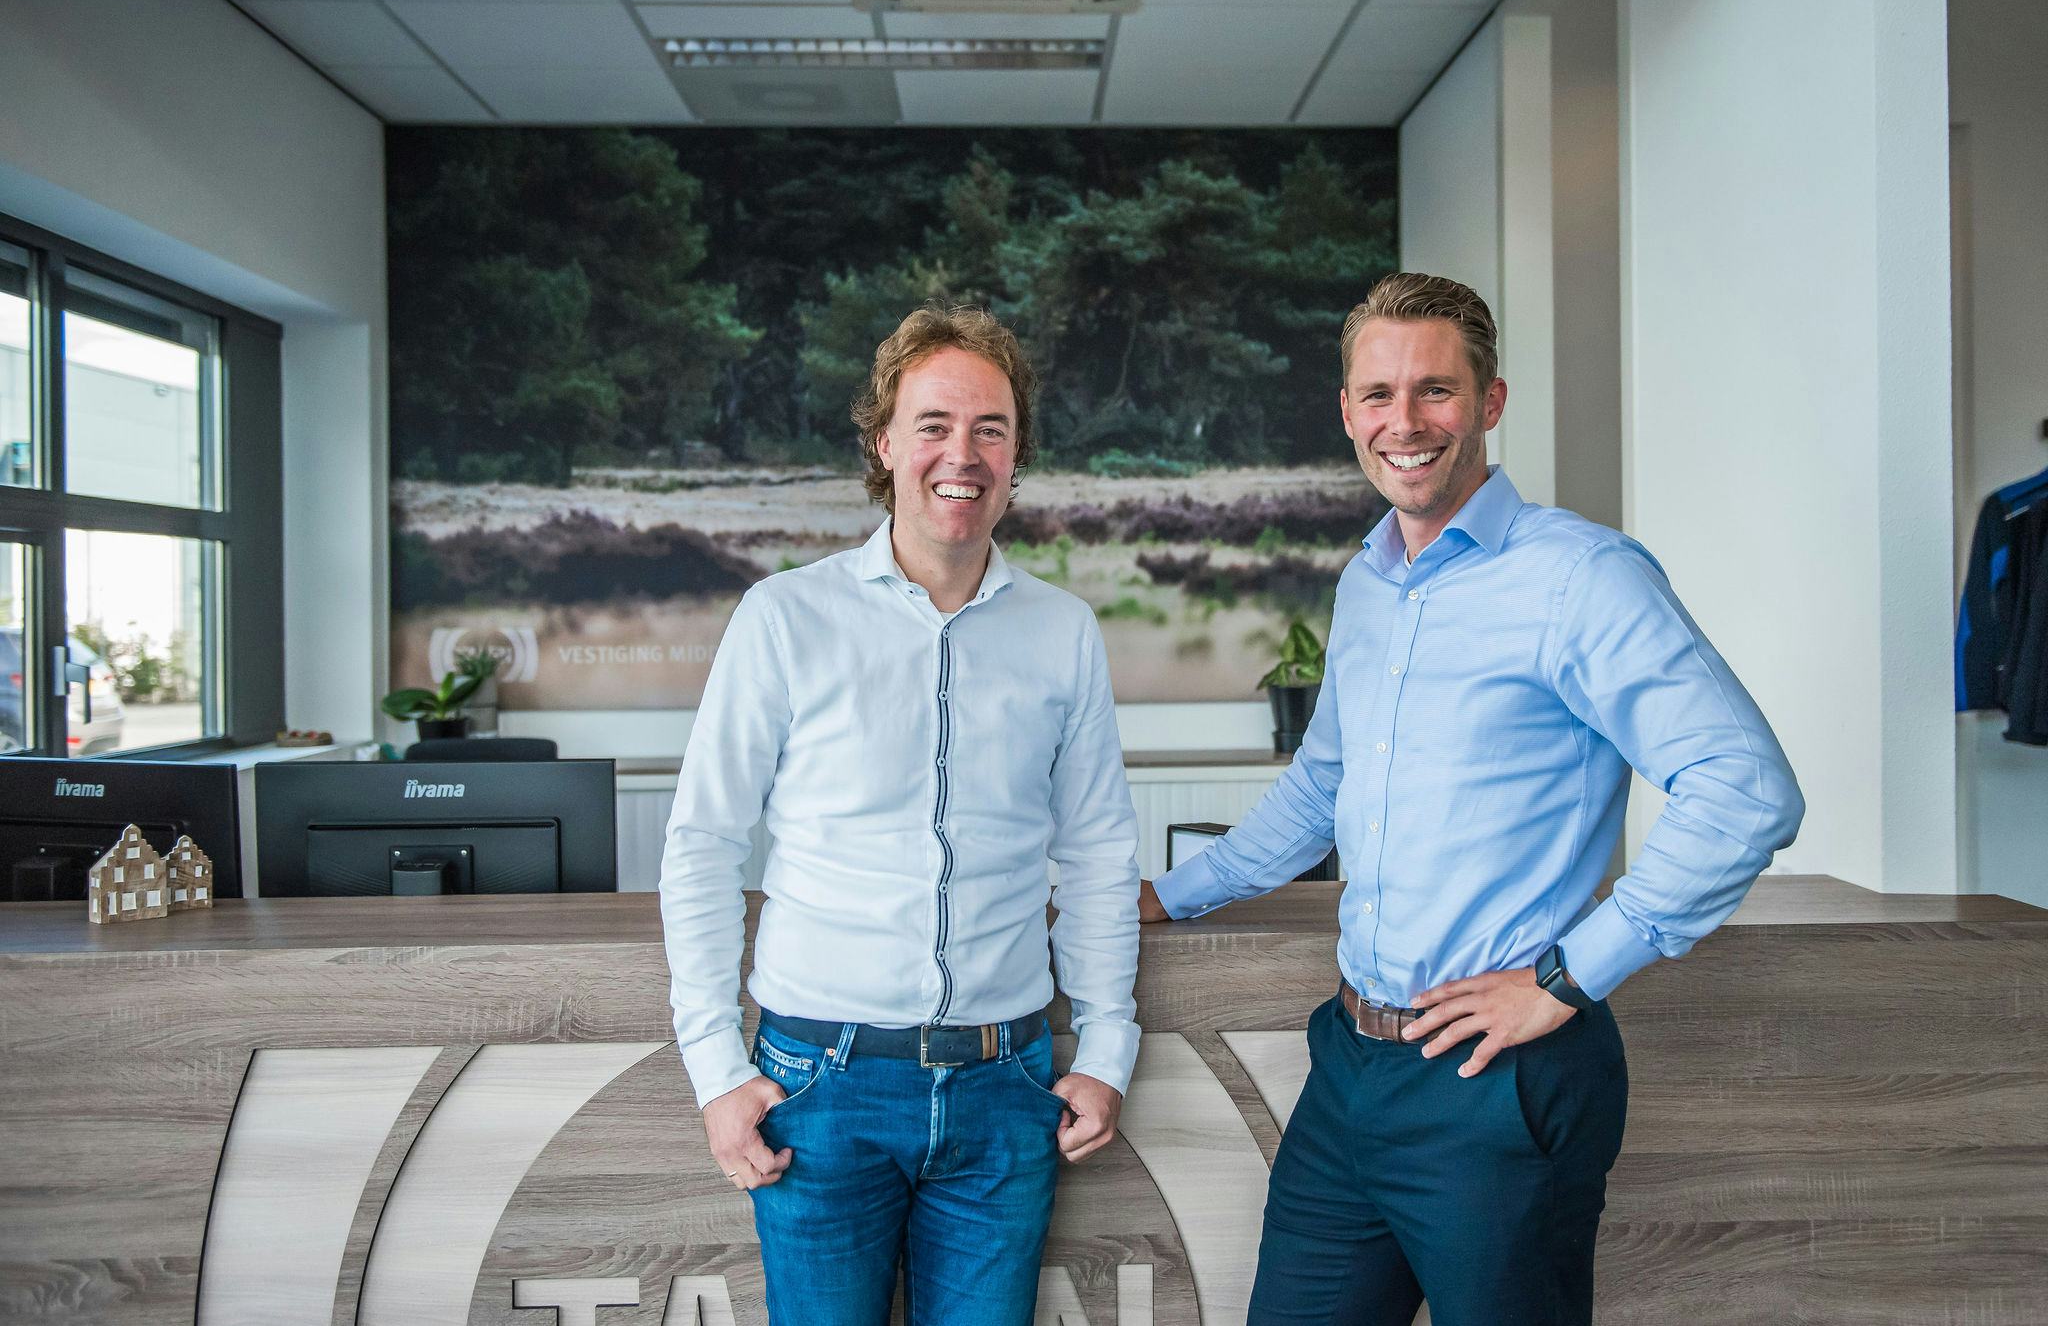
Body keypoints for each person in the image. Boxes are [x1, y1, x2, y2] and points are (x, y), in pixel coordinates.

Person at [1139, 271, 1804, 1325]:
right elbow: (1321, 785)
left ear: (1489, 401)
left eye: (1435, 390)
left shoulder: (1580, 577)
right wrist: (1170, 894)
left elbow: (1746, 787)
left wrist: (1570, 974)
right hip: (1349, 1068)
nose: (1404, 422)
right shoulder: (1365, 584)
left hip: (1501, 1080)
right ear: (1347, 412)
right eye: (1378, 394)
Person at [660, 304, 1141, 1326]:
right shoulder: (785, 618)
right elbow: (702, 842)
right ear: (883, 441)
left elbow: (1099, 852)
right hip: (818, 1089)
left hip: (1006, 1090)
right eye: (933, 424)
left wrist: (1106, 1047)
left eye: (989, 428)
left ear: (1016, 453)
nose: (961, 455)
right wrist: (713, 1067)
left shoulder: (1063, 633)